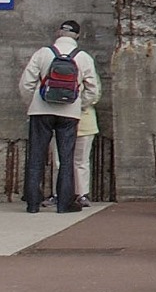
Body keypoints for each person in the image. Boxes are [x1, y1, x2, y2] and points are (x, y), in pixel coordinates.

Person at [17, 19, 102, 214]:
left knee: (36, 156)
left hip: (41, 111)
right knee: (67, 158)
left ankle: (32, 204)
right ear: (78, 36)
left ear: (58, 33)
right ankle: (64, 204)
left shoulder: (43, 53)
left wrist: (34, 102)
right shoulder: (83, 57)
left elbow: (26, 83)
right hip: (69, 113)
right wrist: (80, 104)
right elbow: (93, 90)